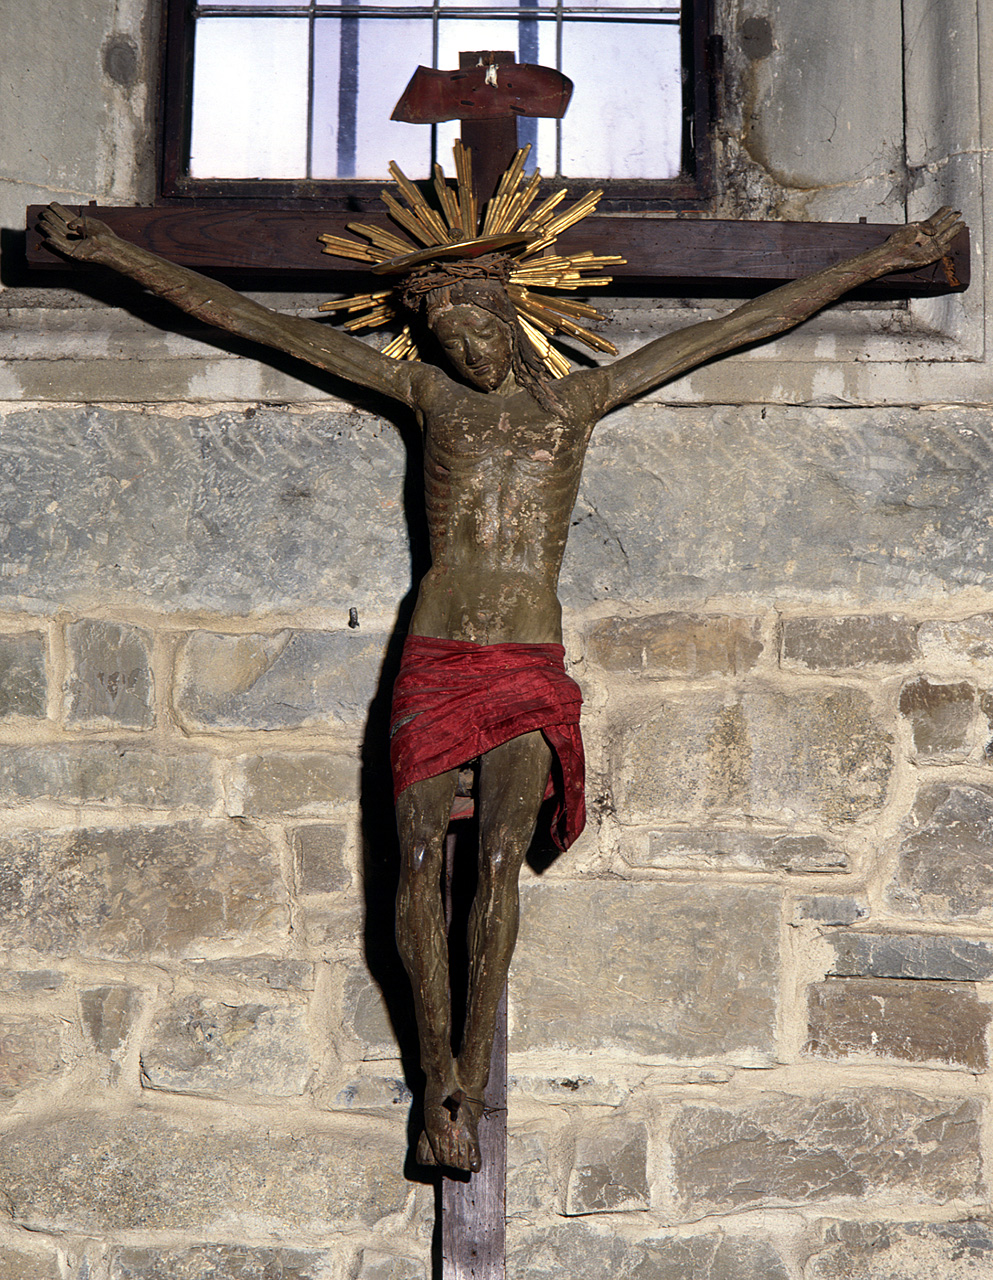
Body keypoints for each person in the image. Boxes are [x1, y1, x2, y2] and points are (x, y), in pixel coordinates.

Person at [38, 200, 964, 1172]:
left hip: (524, 656)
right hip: (435, 654)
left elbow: (739, 324)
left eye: (476, 326)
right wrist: (116, 253)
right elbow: (253, 322)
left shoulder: (578, 404)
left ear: (510, 312)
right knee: (416, 865)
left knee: (495, 864)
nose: (465, 347)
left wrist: (885, 258)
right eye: (444, 335)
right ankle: (430, 1062)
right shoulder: (431, 400)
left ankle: (464, 1083)